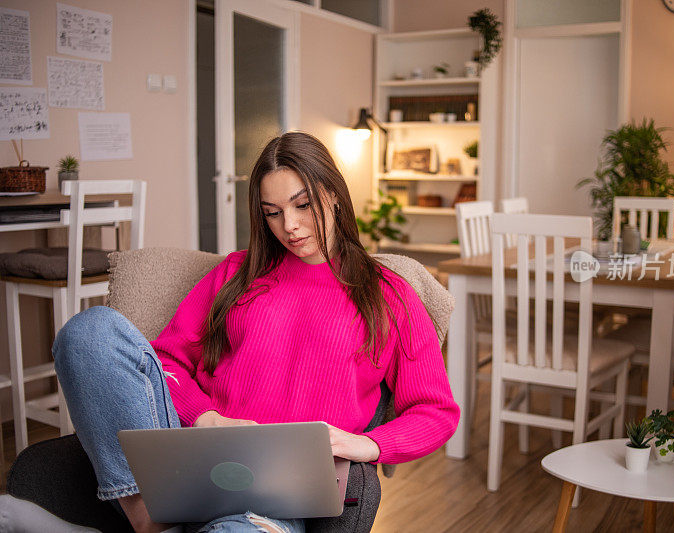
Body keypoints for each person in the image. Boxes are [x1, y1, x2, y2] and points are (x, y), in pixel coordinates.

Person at [39, 131, 459, 533]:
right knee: (90, 332)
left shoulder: (389, 294)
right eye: (272, 213)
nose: (289, 226)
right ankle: (147, 515)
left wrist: (363, 445)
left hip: (277, 486)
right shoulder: (235, 274)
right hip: (191, 447)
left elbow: (434, 411)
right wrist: (205, 418)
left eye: (302, 205)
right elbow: (166, 360)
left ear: (333, 193)